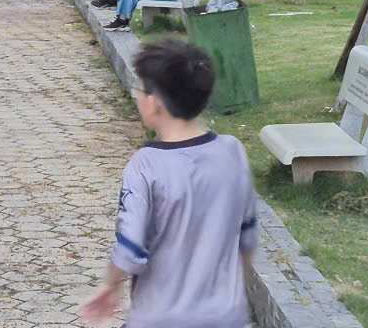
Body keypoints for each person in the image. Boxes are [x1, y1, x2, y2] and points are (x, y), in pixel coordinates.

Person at [80, 40, 257, 328]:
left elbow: (130, 250)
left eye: (140, 88)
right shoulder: (233, 151)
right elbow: (247, 240)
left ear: (154, 102)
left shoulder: (145, 165)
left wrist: (109, 286)